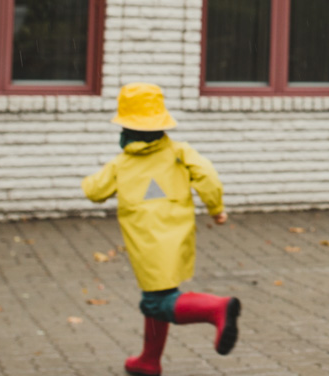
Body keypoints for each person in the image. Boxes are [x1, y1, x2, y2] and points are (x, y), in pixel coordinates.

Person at [82, 83, 241, 376]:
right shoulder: (179, 152)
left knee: (156, 302)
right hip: (178, 242)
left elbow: (94, 191)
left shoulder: (122, 164)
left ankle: (214, 308)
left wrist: (89, 178)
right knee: (158, 295)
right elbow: (208, 176)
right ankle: (149, 360)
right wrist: (216, 208)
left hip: (146, 246)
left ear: (125, 128)